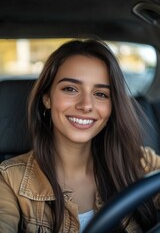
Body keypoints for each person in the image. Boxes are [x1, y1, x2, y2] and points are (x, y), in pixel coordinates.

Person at [0, 39, 160, 233]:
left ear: (112, 106)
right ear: (47, 98)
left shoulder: (142, 164)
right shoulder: (8, 179)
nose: (86, 105)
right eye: (70, 89)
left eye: (101, 94)